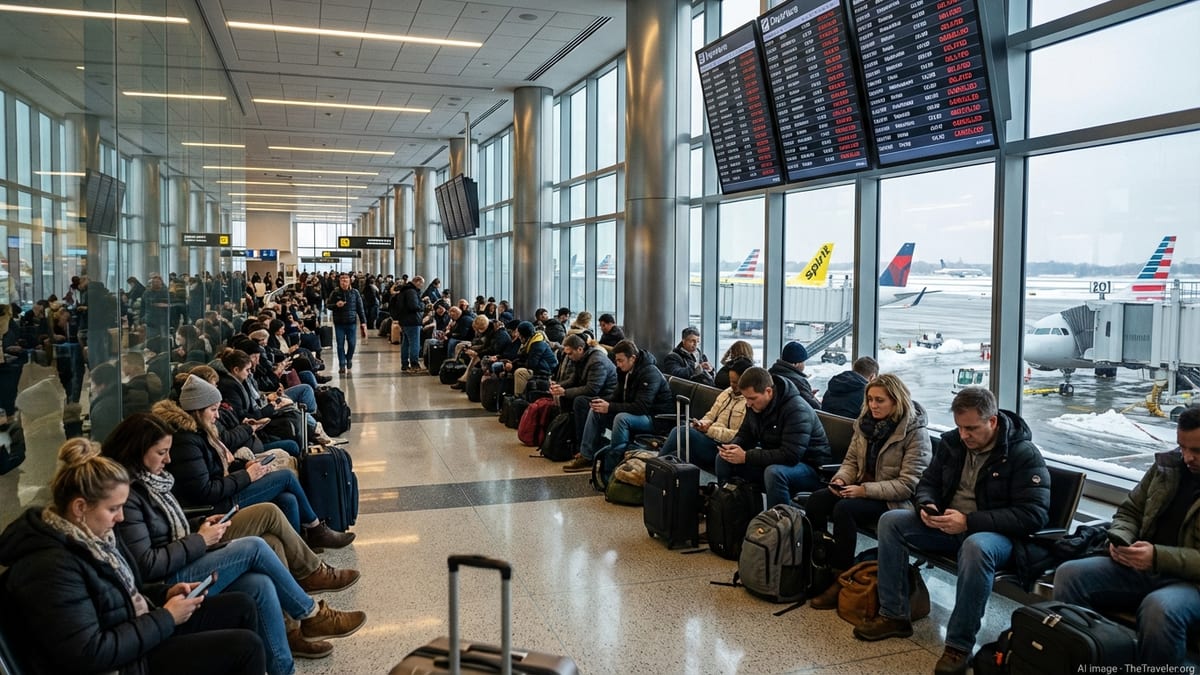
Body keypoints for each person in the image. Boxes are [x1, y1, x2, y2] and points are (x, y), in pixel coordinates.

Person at [102, 415, 365, 669]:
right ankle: (311, 612)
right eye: (161, 453)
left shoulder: (155, 482)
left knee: (265, 564)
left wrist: (200, 524)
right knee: (256, 545)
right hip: (172, 578)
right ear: (137, 451)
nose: (168, 459)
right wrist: (200, 540)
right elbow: (147, 564)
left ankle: (286, 652)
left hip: (189, 549)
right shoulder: (127, 497)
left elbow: (170, 526)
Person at [0, 439, 267, 674]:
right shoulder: (49, 567)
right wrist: (166, 617)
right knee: (245, 647)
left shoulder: (93, 538)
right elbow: (90, 653)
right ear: (80, 507)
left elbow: (123, 593)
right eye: (113, 508)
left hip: (139, 630)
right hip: (124, 664)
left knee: (242, 605)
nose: (121, 517)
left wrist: (165, 593)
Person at [852, 387, 1050, 675]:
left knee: (975, 547)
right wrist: (927, 504)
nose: (964, 435)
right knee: (891, 521)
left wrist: (969, 521)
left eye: (971, 428)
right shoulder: (952, 443)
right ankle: (894, 615)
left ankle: (958, 645)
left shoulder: (1022, 454)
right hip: (949, 523)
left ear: (992, 421)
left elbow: (1033, 515)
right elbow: (928, 483)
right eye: (960, 427)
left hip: (997, 537)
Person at [1053, 405, 1200, 666]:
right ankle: (1093, 659)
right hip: (1143, 566)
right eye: (1182, 447)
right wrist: (1120, 539)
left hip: (1190, 584)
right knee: (1069, 575)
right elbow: (1130, 511)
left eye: (1196, 450)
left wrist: (1157, 557)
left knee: (1160, 609)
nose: (1187, 457)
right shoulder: (1168, 467)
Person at [154, 375, 354, 548]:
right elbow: (205, 491)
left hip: (226, 490)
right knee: (285, 477)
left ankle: (301, 551)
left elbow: (214, 468)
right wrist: (247, 476)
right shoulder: (187, 441)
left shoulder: (200, 431)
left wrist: (243, 466)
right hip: (217, 505)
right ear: (198, 410)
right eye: (213, 410)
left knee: (287, 499)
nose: (217, 415)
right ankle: (316, 529)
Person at [805, 374, 931, 610]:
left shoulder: (915, 433)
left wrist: (864, 490)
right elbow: (851, 461)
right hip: (861, 488)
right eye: (870, 399)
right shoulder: (865, 425)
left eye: (880, 400)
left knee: (845, 509)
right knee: (817, 501)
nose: (873, 405)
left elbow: (908, 484)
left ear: (896, 401)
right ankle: (818, 562)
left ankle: (840, 577)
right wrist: (841, 479)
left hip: (894, 501)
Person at [715, 366, 831, 507]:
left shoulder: (797, 409)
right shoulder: (755, 405)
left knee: (774, 473)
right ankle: (726, 508)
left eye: (752, 398)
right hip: (776, 459)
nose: (748, 404)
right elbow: (745, 434)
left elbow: (791, 455)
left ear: (768, 391)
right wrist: (732, 448)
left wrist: (746, 456)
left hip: (811, 468)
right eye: (746, 398)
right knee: (723, 459)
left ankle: (778, 518)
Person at [563, 339, 672, 473]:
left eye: (621, 360)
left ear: (632, 358)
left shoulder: (650, 373)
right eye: (616, 360)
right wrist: (602, 402)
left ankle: (613, 463)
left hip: (655, 418)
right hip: (639, 413)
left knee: (621, 418)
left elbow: (641, 407)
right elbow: (616, 397)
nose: (618, 364)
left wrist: (609, 407)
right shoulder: (624, 371)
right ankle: (587, 455)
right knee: (596, 409)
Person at [658, 356, 752, 472]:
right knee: (677, 452)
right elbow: (711, 415)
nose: (732, 385)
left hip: (722, 447)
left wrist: (709, 430)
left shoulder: (749, 402)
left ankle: (653, 469)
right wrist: (701, 424)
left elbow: (738, 435)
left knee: (682, 432)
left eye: (736, 382)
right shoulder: (727, 393)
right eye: (731, 381)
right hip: (710, 439)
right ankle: (657, 471)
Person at [549, 333, 617, 411]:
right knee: (565, 397)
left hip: (608, 394)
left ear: (580, 349)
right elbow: (573, 380)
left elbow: (592, 389)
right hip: (599, 391)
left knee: (579, 401)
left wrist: (565, 392)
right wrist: (558, 386)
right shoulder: (581, 359)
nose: (569, 357)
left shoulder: (597, 362)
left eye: (570, 354)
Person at [326, 272, 366, 374]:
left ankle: (349, 358)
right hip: (339, 323)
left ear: (349, 281)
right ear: (339, 281)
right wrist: (336, 305)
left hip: (351, 322)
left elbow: (360, 308)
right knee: (340, 344)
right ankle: (342, 364)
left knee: (352, 344)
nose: (344, 281)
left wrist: (363, 322)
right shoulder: (335, 292)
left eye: (346, 278)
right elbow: (328, 305)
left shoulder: (355, 293)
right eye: (342, 279)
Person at [769, 341, 822, 410]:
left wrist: (807, 393)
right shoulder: (798, 381)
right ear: (796, 364)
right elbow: (814, 406)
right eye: (803, 362)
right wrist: (811, 397)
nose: (804, 365)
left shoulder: (770, 373)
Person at [511, 321, 557, 396]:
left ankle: (519, 398)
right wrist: (513, 364)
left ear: (524, 336)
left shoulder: (537, 344)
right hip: (540, 368)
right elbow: (522, 358)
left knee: (520, 373)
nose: (518, 336)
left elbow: (531, 364)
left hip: (547, 371)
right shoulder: (530, 343)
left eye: (519, 334)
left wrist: (515, 366)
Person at [394, 275, 425, 373]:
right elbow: (414, 306)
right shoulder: (411, 291)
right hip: (412, 321)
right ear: (417, 282)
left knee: (406, 343)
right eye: (421, 283)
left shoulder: (404, 290)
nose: (422, 286)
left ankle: (404, 364)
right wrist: (423, 305)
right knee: (414, 343)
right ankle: (414, 364)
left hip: (404, 320)